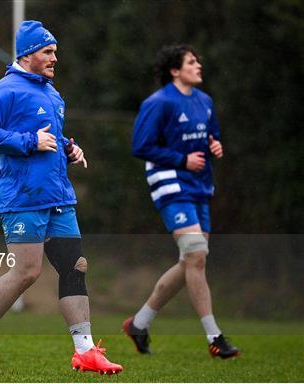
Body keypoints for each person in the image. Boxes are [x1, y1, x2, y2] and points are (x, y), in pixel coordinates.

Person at [0, 20, 123, 375]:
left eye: (55, 52)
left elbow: (53, 135)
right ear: (27, 54)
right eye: (48, 52)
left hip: (58, 195)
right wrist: (30, 143)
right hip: (23, 195)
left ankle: (85, 350)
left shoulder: (52, 93)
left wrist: (69, 147)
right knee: (26, 272)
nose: (54, 59)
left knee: (75, 266)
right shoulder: (4, 89)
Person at [125, 44, 240, 359]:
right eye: (192, 62)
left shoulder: (205, 102)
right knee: (196, 254)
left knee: (191, 260)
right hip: (169, 183)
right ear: (175, 70)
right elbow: (140, 146)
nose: (198, 65)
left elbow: (211, 137)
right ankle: (215, 337)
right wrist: (181, 159)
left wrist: (215, 146)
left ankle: (139, 323)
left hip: (199, 185)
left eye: (198, 60)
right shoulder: (159, 102)